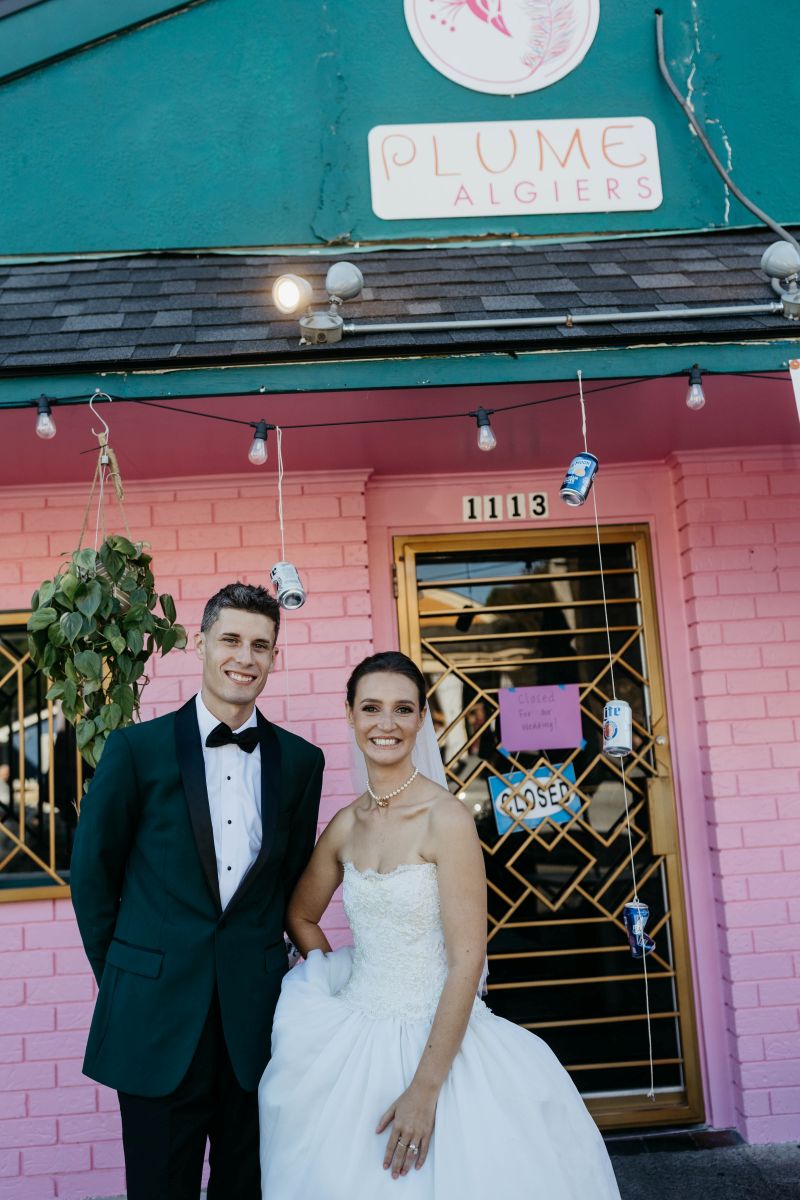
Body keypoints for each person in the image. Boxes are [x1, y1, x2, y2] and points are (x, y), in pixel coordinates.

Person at [258, 650, 622, 1198]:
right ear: (351, 715)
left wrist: (425, 1089)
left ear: (422, 719)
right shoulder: (345, 825)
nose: (387, 723)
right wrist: (331, 968)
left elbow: (468, 959)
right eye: (372, 708)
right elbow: (300, 913)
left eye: (403, 709)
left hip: (440, 1039)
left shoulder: (446, 818)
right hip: (356, 1030)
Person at [70, 582, 324, 1200]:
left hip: (256, 1026)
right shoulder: (135, 750)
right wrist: (128, 974)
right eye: (231, 639)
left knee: (250, 1188)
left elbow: (287, 882)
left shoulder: (301, 762)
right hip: (155, 1020)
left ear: (274, 657)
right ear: (200, 643)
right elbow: (92, 876)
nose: (245, 657)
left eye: (261, 645)